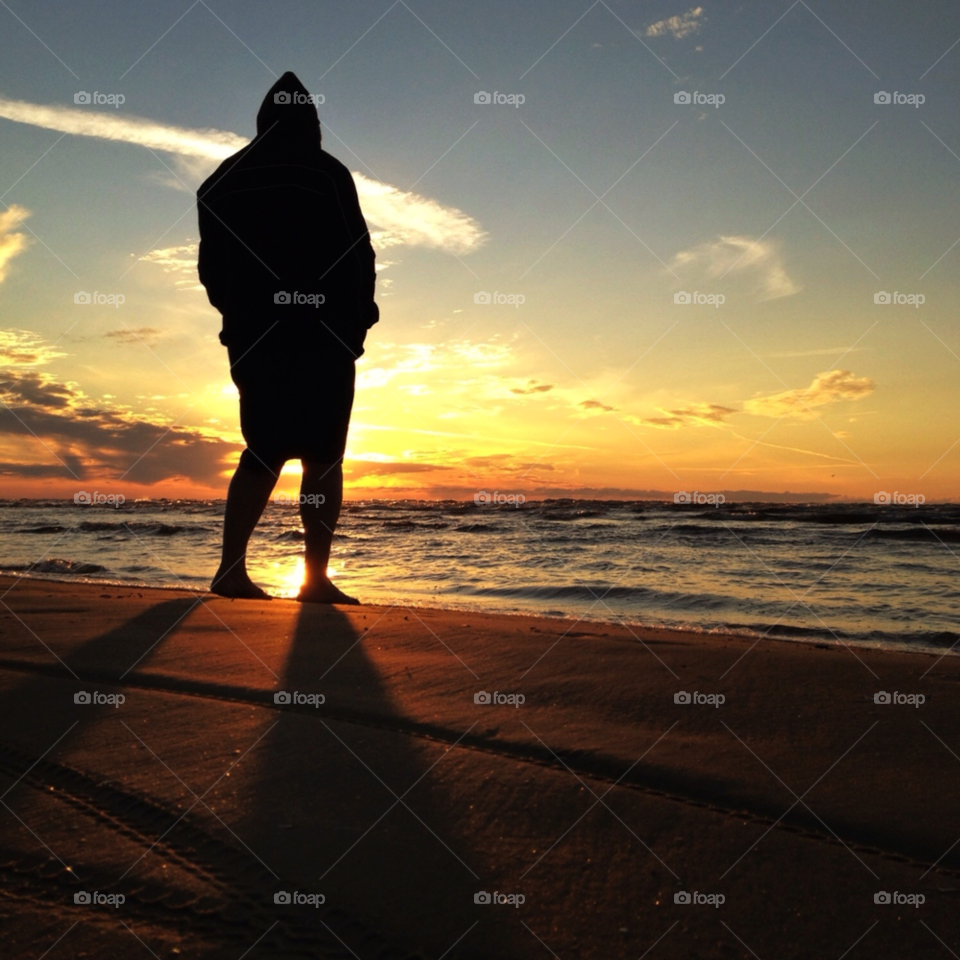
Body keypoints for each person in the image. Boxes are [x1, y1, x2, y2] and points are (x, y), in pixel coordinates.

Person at [197, 71, 378, 603]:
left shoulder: (220, 182)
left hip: (256, 337)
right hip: (320, 334)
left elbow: (212, 270)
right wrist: (356, 322)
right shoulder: (324, 173)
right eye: (316, 120)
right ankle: (314, 578)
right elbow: (357, 254)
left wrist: (239, 317)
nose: (320, 129)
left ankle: (231, 570)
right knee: (324, 454)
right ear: (306, 122)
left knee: (261, 448)